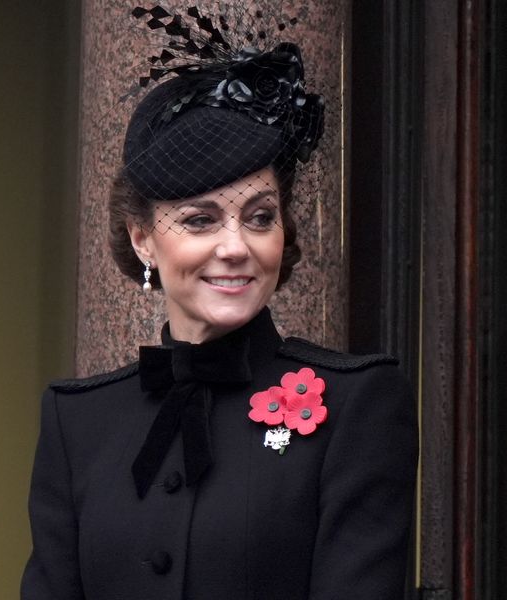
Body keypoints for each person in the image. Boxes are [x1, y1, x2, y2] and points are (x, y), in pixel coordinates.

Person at [21, 6, 418, 599]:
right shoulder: (77, 424)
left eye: (260, 217)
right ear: (142, 238)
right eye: (200, 220)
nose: (235, 247)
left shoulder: (356, 406)